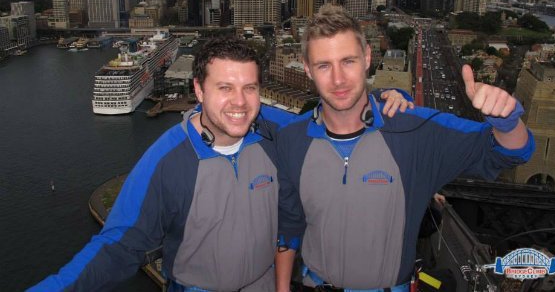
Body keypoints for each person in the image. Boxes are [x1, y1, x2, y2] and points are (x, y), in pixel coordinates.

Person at [29, 38, 411, 292]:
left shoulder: (278, 132)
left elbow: (338, 120)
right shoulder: (166, 160)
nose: (239, 103)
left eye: (250, 88)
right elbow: (118, 247)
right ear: (198, 90)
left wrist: (387, 98)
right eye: (224, 88)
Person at [274, 5, 535, 292]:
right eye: (324, 65)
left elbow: (509, 152)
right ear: (308, 69)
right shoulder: (291, 139)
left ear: (367, 59)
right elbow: (290, 223)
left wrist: (506, 121)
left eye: (348, 61)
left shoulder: (416, 132)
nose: (338, 79)